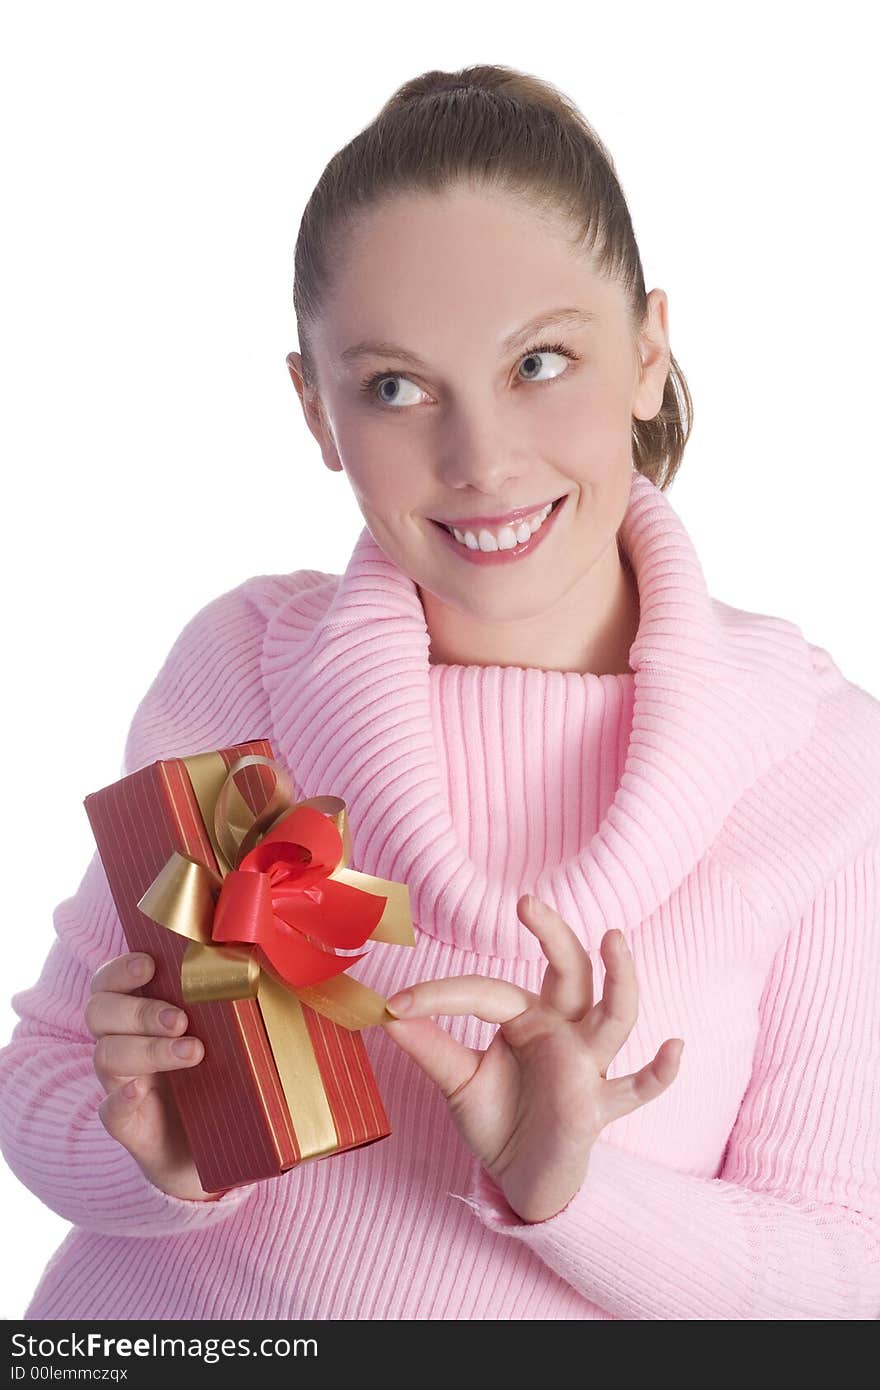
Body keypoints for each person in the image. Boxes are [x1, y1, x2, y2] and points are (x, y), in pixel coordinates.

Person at [1, 62, 878, 1321]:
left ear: (646, 353)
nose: (480, 462)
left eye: (540, 361)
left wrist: (569, 1187)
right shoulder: (247, 665)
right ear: (316, 411)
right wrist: (166, 1158)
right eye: (396, 387)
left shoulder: (817, 756)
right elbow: (40, 1079)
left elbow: (845, 1280)